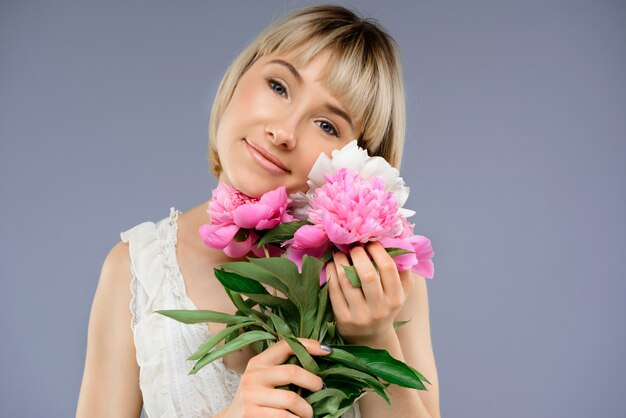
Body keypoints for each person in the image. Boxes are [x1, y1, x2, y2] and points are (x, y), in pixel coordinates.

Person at [76, 5, 440, 418]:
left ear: (358, 161)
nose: (283, 132)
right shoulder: (136, 269)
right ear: (238, 78)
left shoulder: (381, 278)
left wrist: (374, 335)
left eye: (326, 125)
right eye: (279, 86)